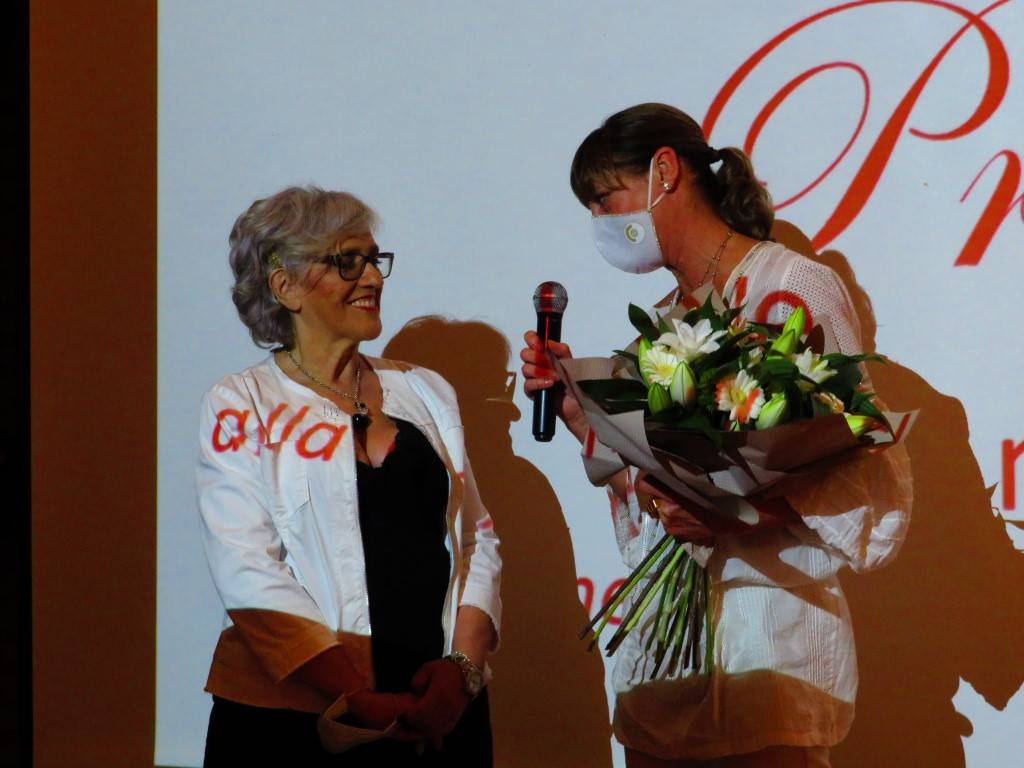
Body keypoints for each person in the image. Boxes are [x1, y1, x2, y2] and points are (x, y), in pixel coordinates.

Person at [520, 103, 913, 767]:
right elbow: (654, 500)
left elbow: (869, 466)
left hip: (772, 656)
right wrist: (584, 418)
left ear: (665, 172)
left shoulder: (791, 287)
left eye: (605, 199)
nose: (599, 223)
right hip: (664, 674)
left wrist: (742, 515)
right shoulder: (659, 327)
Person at [197, 185, 501, 767]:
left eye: (374, 260)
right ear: (284, 286)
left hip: (437, 714)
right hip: (293, 721)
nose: (373, 278)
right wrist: (359, 698)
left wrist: (461, 673)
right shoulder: (240, 403)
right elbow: (249, 569)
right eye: (347, 262)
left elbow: (475, 541)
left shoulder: (426, 390)